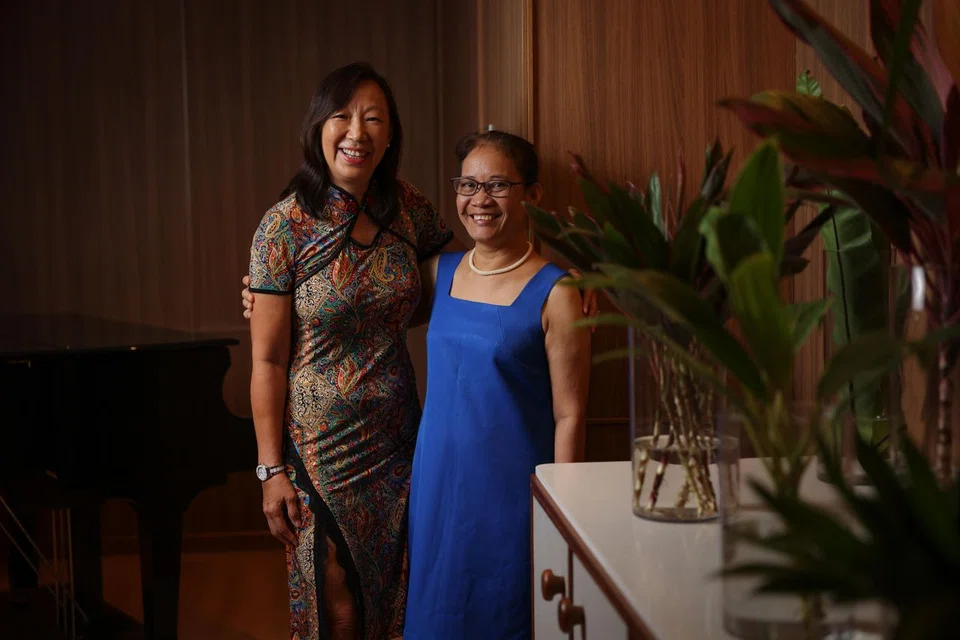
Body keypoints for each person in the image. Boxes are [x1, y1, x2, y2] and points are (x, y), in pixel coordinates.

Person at [247, 62, 455, 639]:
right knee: (336, 611)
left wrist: (558, 290)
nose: (357, 132)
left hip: (399, 441)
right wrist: (270, 470)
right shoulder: (284, 227)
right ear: (319, 127)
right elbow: (266, 360)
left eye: (373, 119)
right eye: (342, 116)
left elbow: (462, 284)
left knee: (392, 600)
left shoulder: (410, 209)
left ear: (390, 137)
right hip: (317, 449)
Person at [401, 131, 590, 639]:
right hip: (438, 484)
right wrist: (264, 298)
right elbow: (356, 305)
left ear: (532, 195)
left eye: (498, 185)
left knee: (504, 615)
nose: (479, 199)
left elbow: (570, 414)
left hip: (511, 495)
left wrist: (562, 516)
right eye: (467, 184)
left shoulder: (558, 292)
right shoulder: (438, 273)